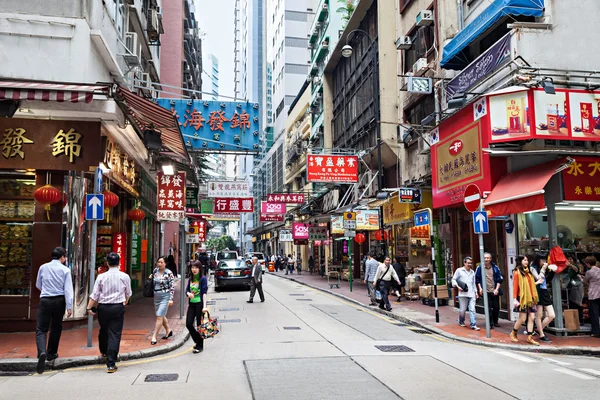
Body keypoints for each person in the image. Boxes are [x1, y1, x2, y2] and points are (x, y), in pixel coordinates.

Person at [86, 252, 132, 373]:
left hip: (103, 308)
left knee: (104, 329)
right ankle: (111, 364)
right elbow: (128, 292)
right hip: (117, 307)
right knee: (115, 334)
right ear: (119, 262)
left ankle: (104, 352)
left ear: (107, 263)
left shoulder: (101, 277)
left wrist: (89, 308)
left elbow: (95, 294)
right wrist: (125, 301)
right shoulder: (124, 276)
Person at [34, 246, 73, 374]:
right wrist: (69, 306)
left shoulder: (43, 267)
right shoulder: (65, 270)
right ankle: (51, 353)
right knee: (56, 327)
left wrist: (46, 291)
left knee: (41, 329)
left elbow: (38, 284)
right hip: (59, 301)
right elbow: (68, 290)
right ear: (62, 257)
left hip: (45, 300)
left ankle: (41, 352)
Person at [510, 255, 540, 345]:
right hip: (522, 298)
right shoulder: (517, 272)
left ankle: (529, 337)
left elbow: (531, 285)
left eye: (527, 260)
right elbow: (515, 286)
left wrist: (537, 282)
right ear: (520, 261)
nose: (526, 262)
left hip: (530, 298)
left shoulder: (529, 272)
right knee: (523, 318)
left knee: (532, 317)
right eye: (524, 260)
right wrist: (515, 299)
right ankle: (513, 333)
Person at [530, 252, 556, 343]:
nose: (544, 262)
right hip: (538, 291)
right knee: (539, 315)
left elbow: (547, 280)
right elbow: (538, 278)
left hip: (545, 291)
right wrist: (543, 269)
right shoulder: (533, 268)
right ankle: (541, 334)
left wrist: (552, 271)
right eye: (542, 260)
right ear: (538, 260)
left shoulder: (543, 268)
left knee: (552, 315)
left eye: (545, 260)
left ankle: (538, 328)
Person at [150, 256, 175, 345]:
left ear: (165, 264)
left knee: (159, 316)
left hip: (165, 296)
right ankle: (168, 330)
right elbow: (153, 281)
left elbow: (172, 287)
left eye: (161, 262)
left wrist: (171, 299)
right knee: (160, 315)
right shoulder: (155, 271)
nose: (159, 264)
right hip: (156, 296)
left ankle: (154, 336)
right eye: (158, 262)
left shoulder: (169, 273)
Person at [475, 252, 504, 328]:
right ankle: (490, 323)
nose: (486, 259)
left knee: (496, 307)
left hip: (494, 290)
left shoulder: (495, 268)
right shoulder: (480, 268)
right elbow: (477, 279)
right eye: (485, 258)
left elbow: (499, 279)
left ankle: (495, 321)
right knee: (488, 308)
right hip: (485, 291)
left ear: (490, 259)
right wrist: (480, 288)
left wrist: (497, 289)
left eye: (488, 258)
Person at [186, 261, 208, 353]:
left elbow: (204, 293)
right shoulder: (190, 279)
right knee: (189, 324)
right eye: (192, 267)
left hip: (199, 304)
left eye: (196, 268)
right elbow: (187, 290)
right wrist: (188, 294)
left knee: (199, 326)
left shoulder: (202, 279)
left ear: (199, 269)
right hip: (191, 304)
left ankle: (200, 346)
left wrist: (205, 306)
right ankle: (198, 341)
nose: (194, 270)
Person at [452, 257, 480, 331]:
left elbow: (473, 283)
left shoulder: (472, 272)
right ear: (464, 263)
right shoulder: (459, 271)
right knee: (463, 310)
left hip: (471, 293)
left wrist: (476, 292)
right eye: (468, 263)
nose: (470, 264)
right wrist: (458, 287)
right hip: (462, 294)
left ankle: (473, 324)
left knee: (472, 309)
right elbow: (454, 279)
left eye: (471, 263)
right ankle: (461, 320)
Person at [583, 256, 600, 337]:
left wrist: (580, 277)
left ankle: (596, 332)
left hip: (593, 294)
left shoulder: (589, 272)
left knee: (594, 313)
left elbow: (585, 281)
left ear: (588, 263)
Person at [565, 256, 585, 324]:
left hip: (577, 286)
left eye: (571, 259)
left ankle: (581, 320)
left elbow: (577, 270)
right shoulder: (568, 268)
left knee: (577, 303)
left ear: (573, 260)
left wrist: (570, 265)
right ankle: (574, 321)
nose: (569, 260)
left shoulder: (575, 266)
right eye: (568, 259)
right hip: (570, 286)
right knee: (571, 304)